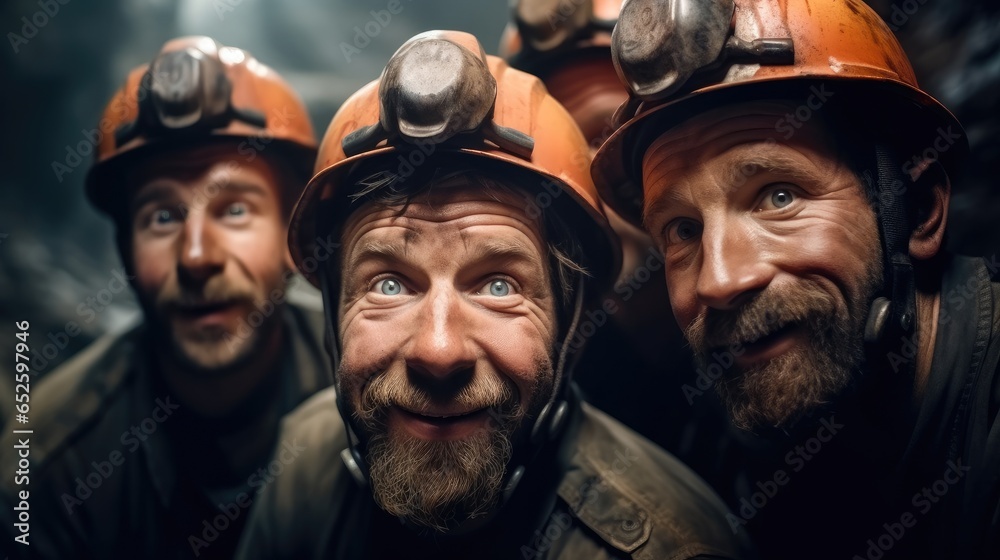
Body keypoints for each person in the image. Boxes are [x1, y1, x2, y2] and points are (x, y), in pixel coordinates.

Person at [235, 30, 749, 560]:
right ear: (333, 314)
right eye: (388, 284)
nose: (438, 351)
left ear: (571, 323)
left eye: (498, 286)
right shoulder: (299, 466)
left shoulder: (675, 549)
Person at [592, 0, 999, 558]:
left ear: (921, 210)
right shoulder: (754, 452)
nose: (719, 280)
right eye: (683, 230)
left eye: (779, 197)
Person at [0, 36, 331, 559]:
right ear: (125, 252)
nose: (196, 256)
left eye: (234, 210)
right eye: (162, 216)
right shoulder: (50, 460)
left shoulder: (369, 396)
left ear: (295, 234)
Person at [500, 0, 741, 496]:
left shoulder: (769, 326)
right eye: (549, 154)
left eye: (602, 137)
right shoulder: (541, 361)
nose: (574, 183)